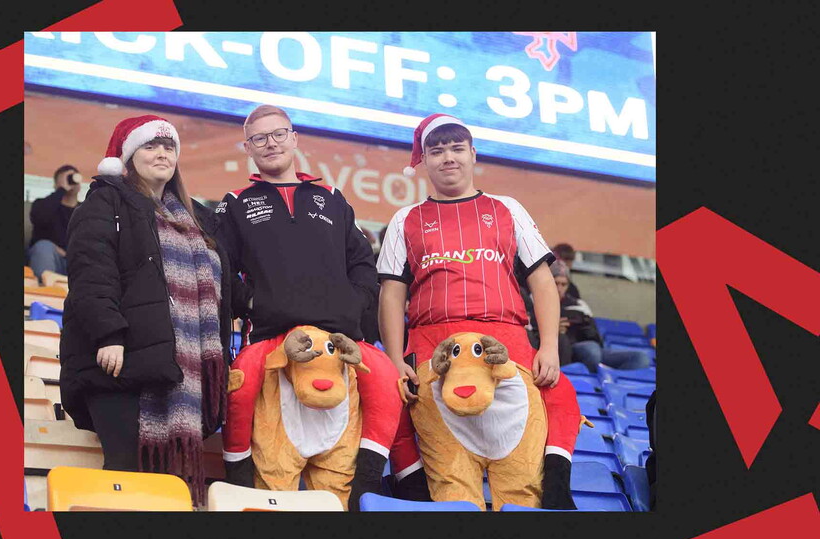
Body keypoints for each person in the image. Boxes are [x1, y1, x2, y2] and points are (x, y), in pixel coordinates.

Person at [376, 114, 581, 509]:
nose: (447, 158)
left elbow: (542, 283)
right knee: (449, 482)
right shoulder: (405, 220)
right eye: (436, 151)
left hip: (509, 349)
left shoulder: (507, 209)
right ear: (423, 161)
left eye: (456, 149)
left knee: (523, 488)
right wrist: (392, 358)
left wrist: (550, 347)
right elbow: (391, 294)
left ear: (473, 154)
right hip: (432, 351)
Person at [216, 105, 401, 510]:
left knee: (341, 487)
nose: (271, 144)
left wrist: (354, 304)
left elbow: (362, 264)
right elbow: (221, 270)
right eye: (259, 138)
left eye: (279, 134)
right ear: (247, 148)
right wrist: (252, 303)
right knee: (273, 487)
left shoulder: (332, 198)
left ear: (295, 138)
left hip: (340, 351)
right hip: (274, 352)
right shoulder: (236, 203)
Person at [59, 115, 236, 507]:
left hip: (176, 370)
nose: (161, 154)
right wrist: (109, 334)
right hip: (118, 364)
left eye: (168, 146)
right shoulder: (105, 202)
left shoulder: (199, 219)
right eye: (150, 146)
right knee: (124, 473)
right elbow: (92, 272)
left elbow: (226, 291)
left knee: (164, 486)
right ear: (128, 156)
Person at [550, 261, 652, 372]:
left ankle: (610, 381)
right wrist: (553, 329)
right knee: (591, 350)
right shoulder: (536, 302)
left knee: (640, 358)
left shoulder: (579, 305)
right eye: (556, 283)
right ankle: (591, 379)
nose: (559, 288)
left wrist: (585, 327)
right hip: (564, 349)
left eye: (563, 284)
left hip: (587, 346)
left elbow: (595, 337)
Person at [27, 164, 82, 281]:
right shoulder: (43, 205)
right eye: (66, 179)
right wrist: (61, 190)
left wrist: (68, 253)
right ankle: (44, 293)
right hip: (50, 261)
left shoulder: (86, 211)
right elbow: (40, 218)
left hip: (77, 264)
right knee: (44, 247)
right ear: (56, 184)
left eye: (73, 178)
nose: (71, 182)